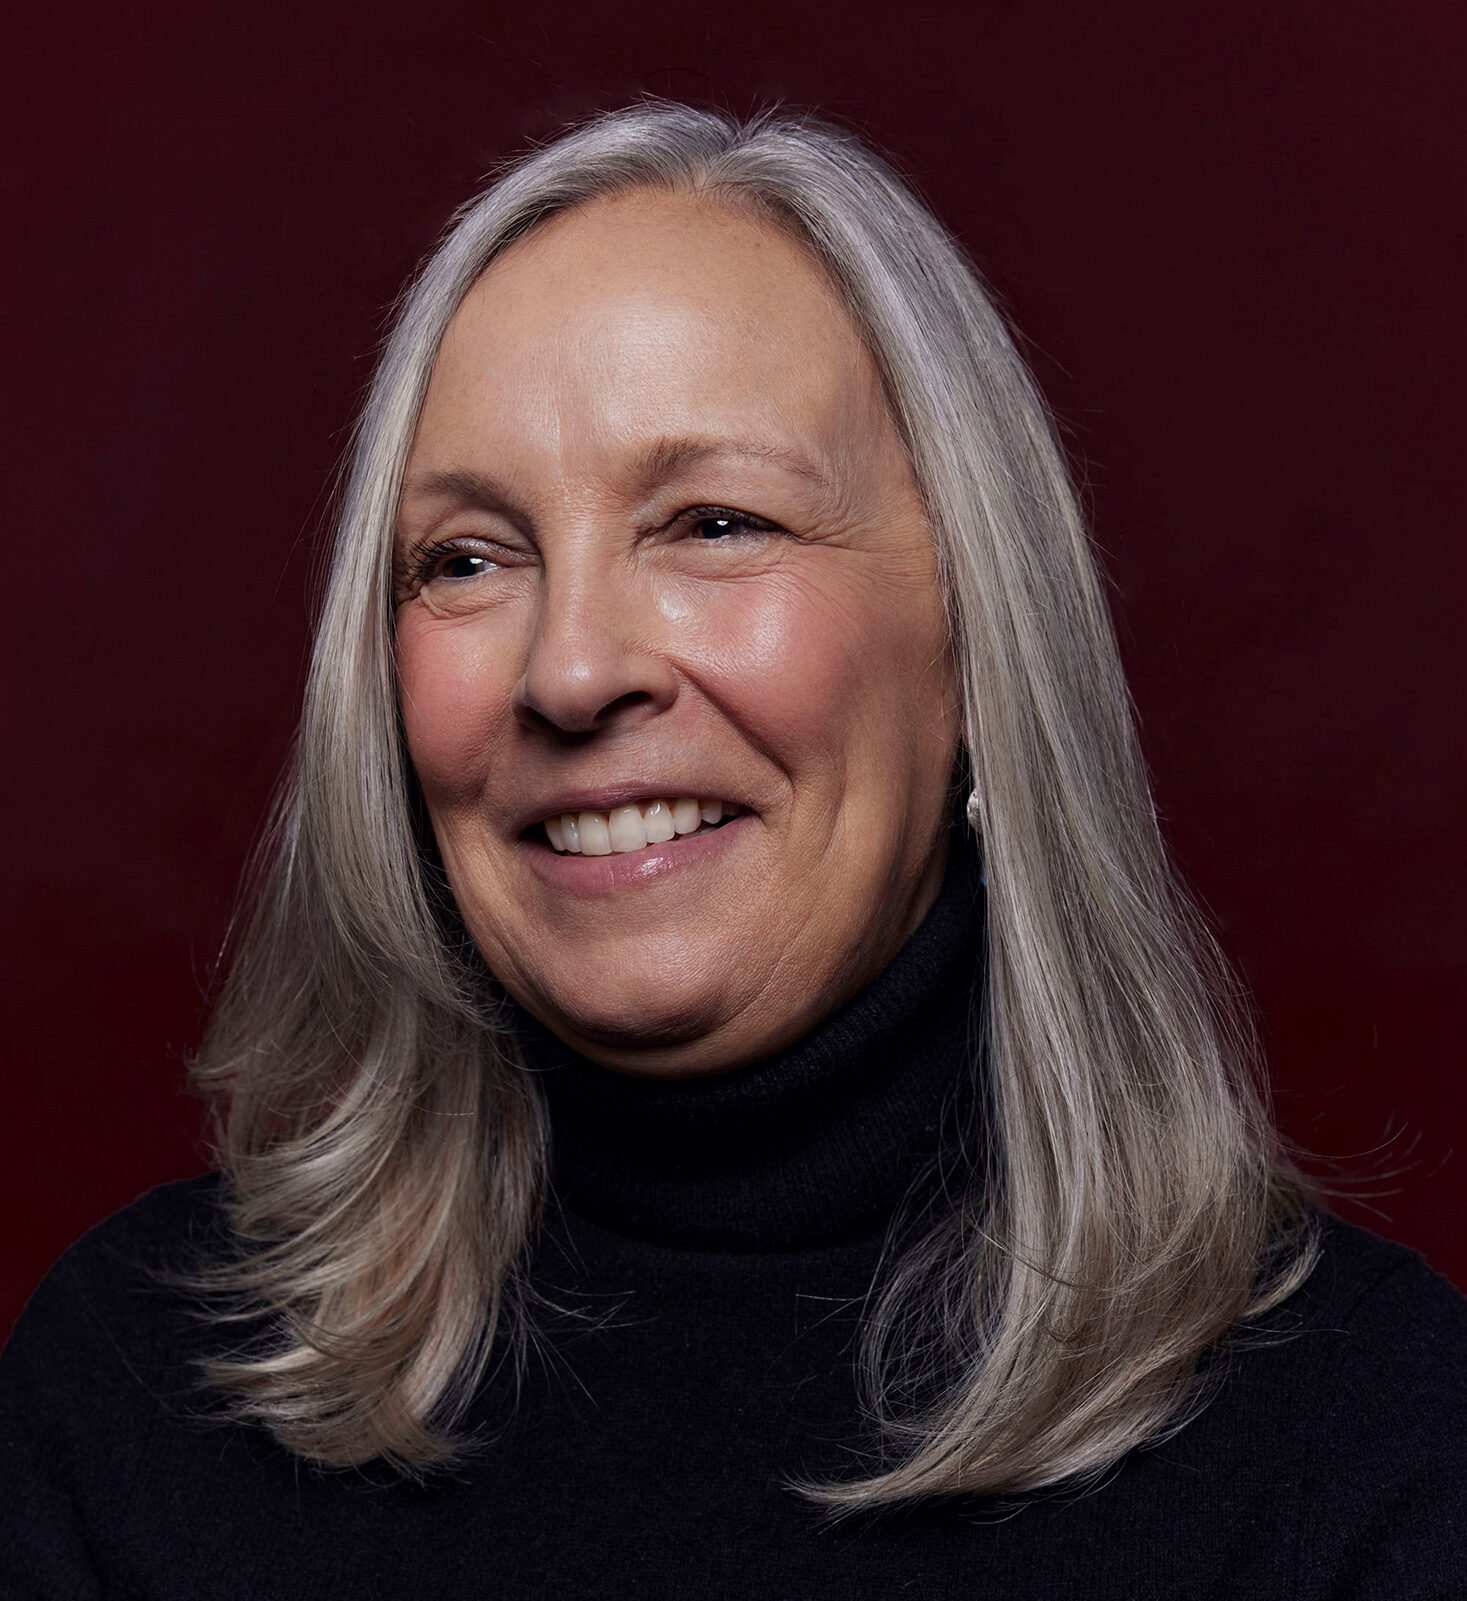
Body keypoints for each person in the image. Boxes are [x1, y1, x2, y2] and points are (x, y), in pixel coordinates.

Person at [2, 101, 1464, 1599]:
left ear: (976, 643)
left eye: (712, 521)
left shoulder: (1365, 1449)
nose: (570, 671)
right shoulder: (130, 1405)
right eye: (466, 557)